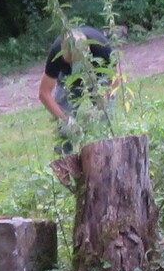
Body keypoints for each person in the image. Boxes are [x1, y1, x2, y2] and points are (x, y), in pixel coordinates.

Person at [38, 23, 114, 184]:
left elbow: (115, 79)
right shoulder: (56, 52)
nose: (74, 65)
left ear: (87, 52)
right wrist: (67, 121)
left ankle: (108, 165)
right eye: (69, 60)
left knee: (105, 119)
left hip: (97, 75)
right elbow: (44, 93)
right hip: (68, 80)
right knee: (63, 129)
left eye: (76, 61)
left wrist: (100, 105)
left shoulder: (101, 47)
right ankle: (64, 171)